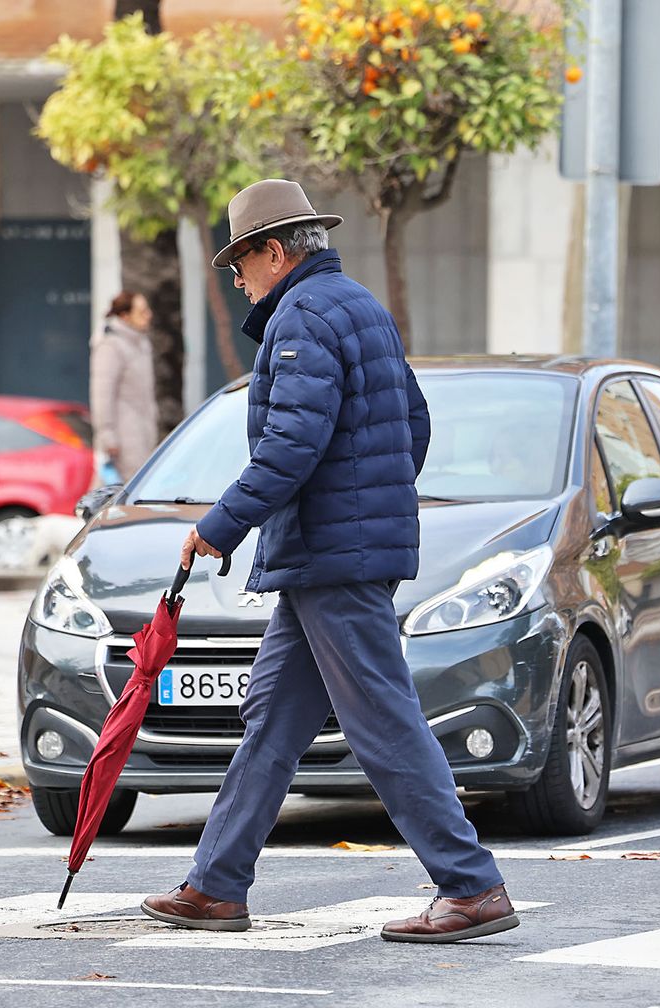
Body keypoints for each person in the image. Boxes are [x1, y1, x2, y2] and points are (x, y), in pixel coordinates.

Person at [139, 179, 515, 944]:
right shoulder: (358, 305)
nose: (238, 282)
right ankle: (216, 884)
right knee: (272, 721)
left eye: (239, 265)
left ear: (273, 252)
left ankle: (471, 885)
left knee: (382, 719)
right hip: (333, 553)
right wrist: (370, 501)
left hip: (332, 559)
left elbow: (290, 445)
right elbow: (414, 421)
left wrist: (221, 523)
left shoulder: (301, 316)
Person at [89, 290, 157, 485]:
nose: (149, 315)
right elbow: (102, 393)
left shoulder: (140, 342)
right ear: (124, 316)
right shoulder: (110, 345)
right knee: (119, 493)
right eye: (142, 312)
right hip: (123, 440)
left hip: (142, 433)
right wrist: (107, 435)